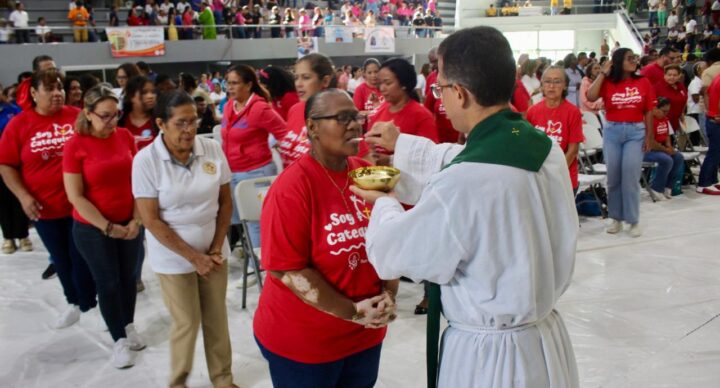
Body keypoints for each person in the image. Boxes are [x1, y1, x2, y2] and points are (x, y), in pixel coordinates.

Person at [351, 26, 579, 388]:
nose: (440, 98)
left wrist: (386, 203)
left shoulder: (464, 182)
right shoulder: (538, 144)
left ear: (460, 93)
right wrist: (402, 143)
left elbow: (394, 252)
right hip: (541, 340)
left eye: (440, 88)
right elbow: (464, 160)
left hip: (491, 358)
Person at [254, 89, 397, 387]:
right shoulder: (292, 188)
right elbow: (288, 269)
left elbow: (391, 239)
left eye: (356, 116)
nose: (354, 125)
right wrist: (352, 312)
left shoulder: (369, 174)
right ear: (313, 127)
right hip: (306, 344)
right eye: (341, 118)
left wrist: (389, 294)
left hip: (365, 334)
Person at [133, 91, 237, 388]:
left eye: (193, 121)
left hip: (213, 247)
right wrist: (194, 258)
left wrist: (215, 247)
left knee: (217, 318)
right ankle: (178, 382)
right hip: (172, 254)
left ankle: (223, 379)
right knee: (187, 323)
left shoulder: (212, 149)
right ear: (161, 124)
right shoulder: (146, 160)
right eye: (180, 123)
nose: (189, 129)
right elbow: (151, 219)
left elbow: (225, 202)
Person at [0, 69, 97, 328]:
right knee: (61, 258)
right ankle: (74, 302)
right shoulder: (18, 125)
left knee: (83, 257)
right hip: (44, 208)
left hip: (81, 205)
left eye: (60, 88)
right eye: (50, 89)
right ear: (34, 93)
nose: (57, 94)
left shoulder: (77, 117)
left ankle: (91, 302)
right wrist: (22, 196)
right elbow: (6, 165)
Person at [62, 84, 145, 368]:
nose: (112, 122)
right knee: (107, 282)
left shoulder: (124, 136)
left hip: (129, 222)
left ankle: (128, 324)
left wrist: (136, 219)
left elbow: (137, 182)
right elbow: (76, 196)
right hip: (93, 228)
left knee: (128, 279)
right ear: (88, 113)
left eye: (116, 115)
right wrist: (108, 227)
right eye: (105, 116)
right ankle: (118, 339)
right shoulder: (75, 144)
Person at [588, 48, 655, 237]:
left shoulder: (643, 81)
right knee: (614, 177)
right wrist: (603, 72)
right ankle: (615, 217)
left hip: (636, 132)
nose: (634, 61)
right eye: (629, 58)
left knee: (631, 176)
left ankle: (633, 220)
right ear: (617, 62)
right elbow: (591, 97)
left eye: (635, 58)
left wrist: (649, 136)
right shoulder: (608, 82)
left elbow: (648, 110)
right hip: (612, 132)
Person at [221, 64, 287, 248]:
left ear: (249, 85)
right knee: (240, 221)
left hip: (256, 173)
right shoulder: (228, 107)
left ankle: (260, 267)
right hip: (233, 172)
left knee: (256, 224)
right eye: (228, 83)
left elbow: (284, 133)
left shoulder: (259, 109)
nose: (230, 87)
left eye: (235, 83)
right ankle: (253, 258)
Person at [277, 53, 334, 167]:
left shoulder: (338, 115)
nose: (298, 84)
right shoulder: (295, 110)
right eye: (296, 78)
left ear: (325, 81)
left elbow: (363, 163)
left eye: (306, 77)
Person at [0, 87, 30, 254]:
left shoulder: (12, 110)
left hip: (14, 162)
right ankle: (8, 237)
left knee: (18, 198)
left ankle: (23, 235)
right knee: (3, 202)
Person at [643, 97, 685, 199]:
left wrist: (669, 147)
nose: (666, 114)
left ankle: (668, 187)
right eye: (664, 111)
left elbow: (666, 135)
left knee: (678, 157)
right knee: (666, 159)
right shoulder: (648, 120)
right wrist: (666, 150)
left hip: (658, 149)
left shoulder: (665, 119)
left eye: (668, 111)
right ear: (654, 109)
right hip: (645, 151)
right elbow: (651, 142)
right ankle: (656, 188)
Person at [120, 76, 157, 150]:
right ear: (131, 96)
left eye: (153, 92)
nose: (151, 96)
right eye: (144, 92)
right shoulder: (120, 121)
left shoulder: (160, 121)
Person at [653, 64, 688, 133]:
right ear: (664, 75)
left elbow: (684, 101)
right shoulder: (657, 87)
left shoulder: (680, 86)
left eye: (675, 75)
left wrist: (682, 116)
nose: (672, 77)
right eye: (669, 75)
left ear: (679, 76)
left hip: (676, 122)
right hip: (661, 124)